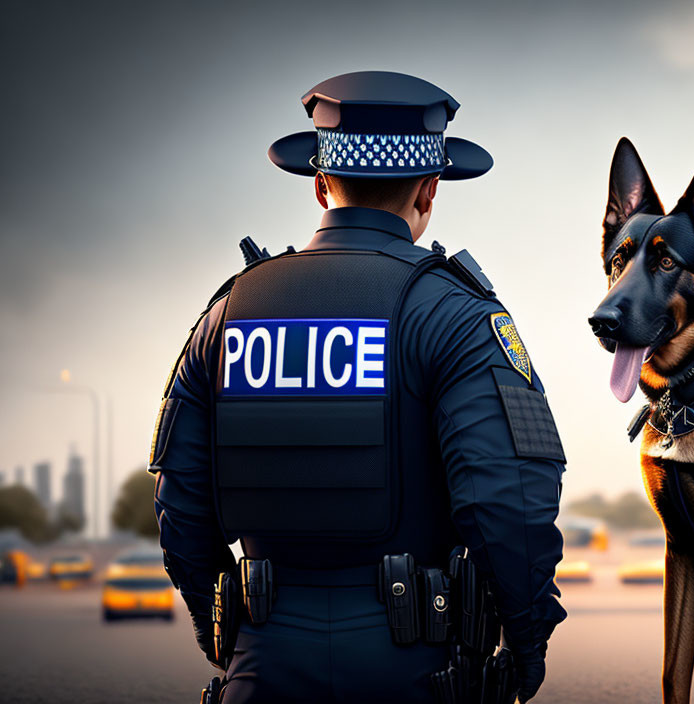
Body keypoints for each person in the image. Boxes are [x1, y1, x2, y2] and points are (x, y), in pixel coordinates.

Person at [149, 71, 566, 703]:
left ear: (321, 186)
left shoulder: (228, 312)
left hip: (261, 662)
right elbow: (509, 501)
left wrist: (226, 634)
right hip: (415, 669)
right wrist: (527, 645)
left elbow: (179, 500)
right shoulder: (454, 314)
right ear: (429, 191)